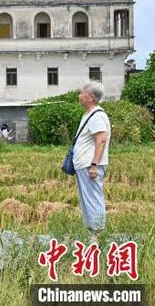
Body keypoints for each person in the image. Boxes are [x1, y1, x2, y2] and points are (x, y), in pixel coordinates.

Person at [73, 81, 111, 233]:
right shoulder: (89, 114)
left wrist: (94, 164)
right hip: (85, 165)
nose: (79, 96)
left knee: (93, 199)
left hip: (91, 166)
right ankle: (91, 232)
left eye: (82, 93)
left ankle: (98, 233)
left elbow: (101, 139)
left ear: (91, 97)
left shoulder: (97, 116)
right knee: (87, 200)